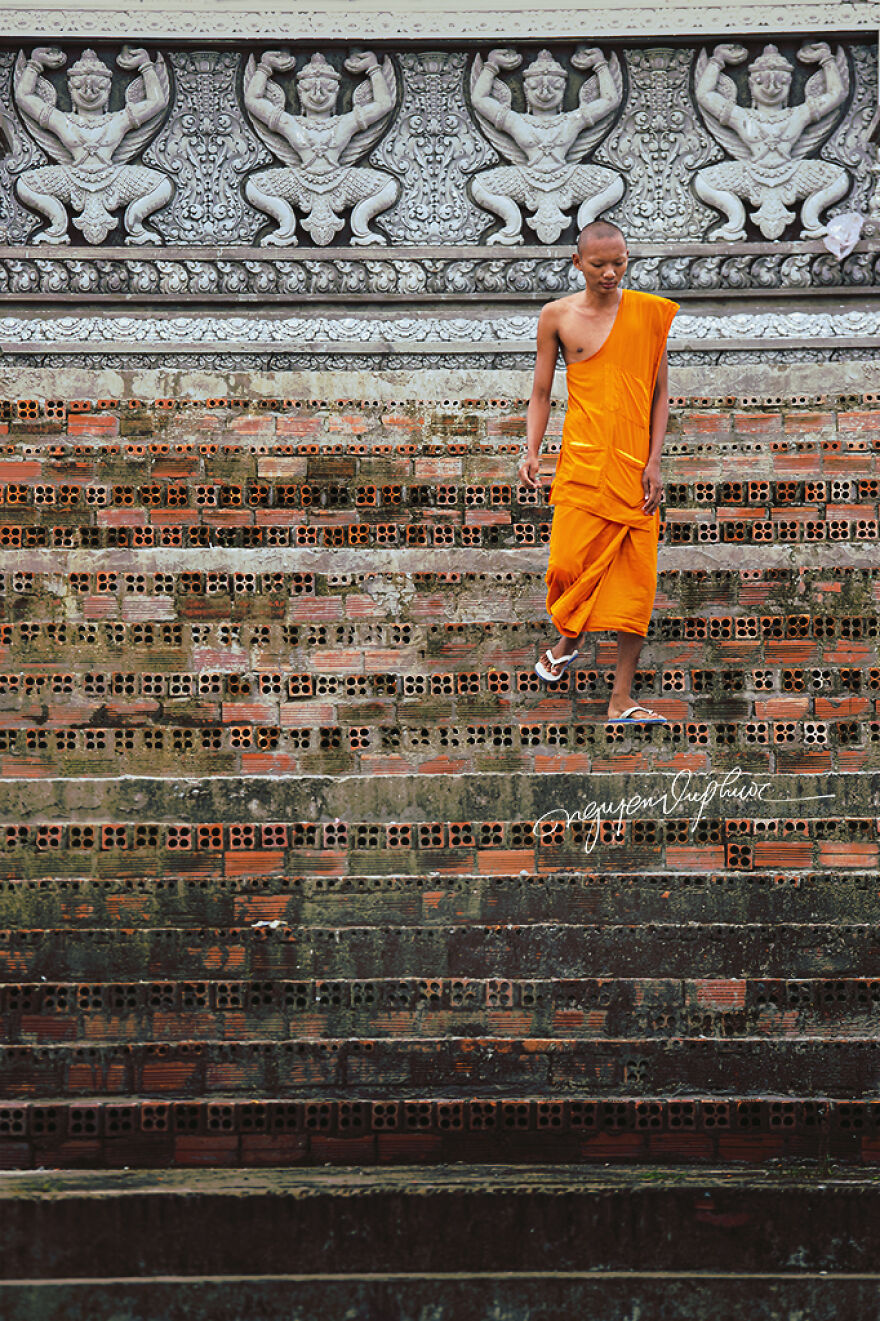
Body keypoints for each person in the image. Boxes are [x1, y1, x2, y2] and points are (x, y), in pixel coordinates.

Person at [519, 219, 679, 723]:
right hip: (583, 462)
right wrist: (531, 450)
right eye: (599, 265)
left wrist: (654, 461)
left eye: (619, 263)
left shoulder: (648, 315)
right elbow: (542, 391)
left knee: (635, 586)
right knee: (568, 564)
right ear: (577, 263)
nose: (610, 273)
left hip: (634, 469)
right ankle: (568, 638)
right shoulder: (557, 316)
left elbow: (659, 393)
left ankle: (621, 699)